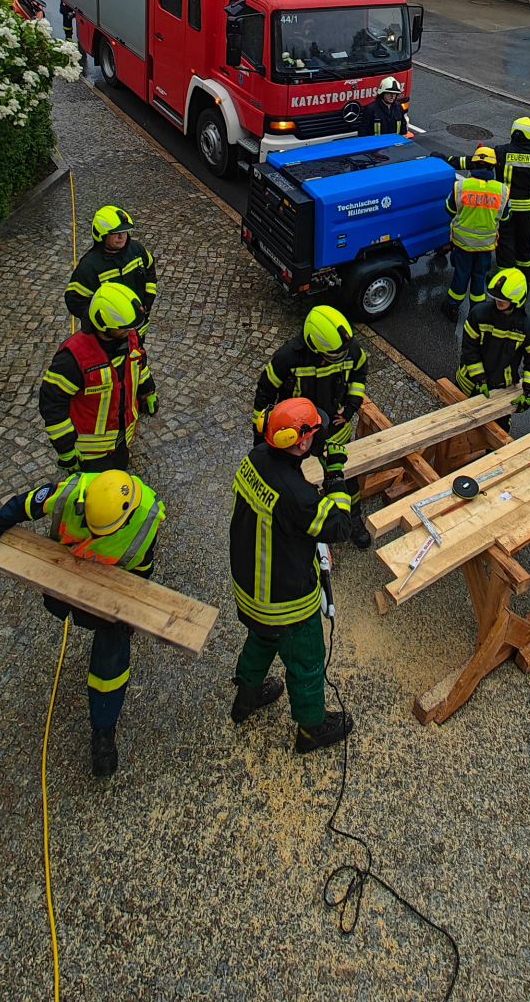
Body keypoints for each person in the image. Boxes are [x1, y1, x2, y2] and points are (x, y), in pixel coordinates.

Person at [0, 469, 162, 778]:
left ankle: (103, 731)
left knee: (111, 659)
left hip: (111, 592)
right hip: (66, 580)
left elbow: (142, 566)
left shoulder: (146, 519)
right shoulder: (69, 494)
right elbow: (23, 505)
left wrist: (129, 612)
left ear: (127, 518)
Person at [230, 398, 354, 754]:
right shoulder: (298, 498)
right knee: (308, 661)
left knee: (263, 637)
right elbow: (339, 526)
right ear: (301, 443)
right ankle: (312, 727)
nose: (319, 434)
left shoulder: (255, 459)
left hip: (250, 586)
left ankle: (247, 696)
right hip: (286, 600)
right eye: (314, 431)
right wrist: (335, 476)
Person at [253, 306, 371, 549]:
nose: (336, 360)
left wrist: (350, 407)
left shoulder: (347, 349)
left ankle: (354, 518)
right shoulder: (288, 357)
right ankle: (309, 529)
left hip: (334, 431)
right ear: (314, 345)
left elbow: (360, 371)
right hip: (299, 437)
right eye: (331, 356)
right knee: (297, 483)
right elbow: (265, 392)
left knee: (346, 478)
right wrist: (261, 438)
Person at [39, 282, 158, 473]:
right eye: (124, 328)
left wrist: (147, 391)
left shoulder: (129, 338)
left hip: (121, 442)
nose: (131, 332)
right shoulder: (72, 359)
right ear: (104, 325)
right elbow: (52, 405)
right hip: (90, 456)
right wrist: (66, 451)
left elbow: (139, 367)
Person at [451, 118, 530, 275]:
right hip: (527, 211)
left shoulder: (501, 152)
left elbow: (475, 161)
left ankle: (504, 279)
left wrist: (448, 160)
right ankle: (524, 277)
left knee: (505, 243)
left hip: (505, 208)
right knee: (524, 243)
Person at [455, 268, 530, 425]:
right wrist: (480, 380)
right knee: (454, 429)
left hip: (501, 390)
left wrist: (528, 392)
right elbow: (469, 350)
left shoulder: (527, 328)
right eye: (496, 297)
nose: (498, 301)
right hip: (469, 384)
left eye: (503, 299)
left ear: (517, 299)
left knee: (497, 435)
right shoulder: (479, 314)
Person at [65, 205, 158, 327]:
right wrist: (101, 320)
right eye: (115, 233)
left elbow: (150, 268)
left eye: (124, 231)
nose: (122, 237)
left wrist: (149, 297)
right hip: (108, 335)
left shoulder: (137, 250)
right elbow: (75, 301)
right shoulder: (90, 266)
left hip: (137, 326)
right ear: (101, 235)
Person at [445, 145, 509, 318]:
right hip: (485, 246)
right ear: (493, 167)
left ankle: (452, 307)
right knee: (479, 277)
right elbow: (504, 218)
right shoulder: (502, 190)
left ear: (473, 165)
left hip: (463, 244)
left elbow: (449, 210)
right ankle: (477, 312)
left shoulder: (461, 186)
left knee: (461, 276)